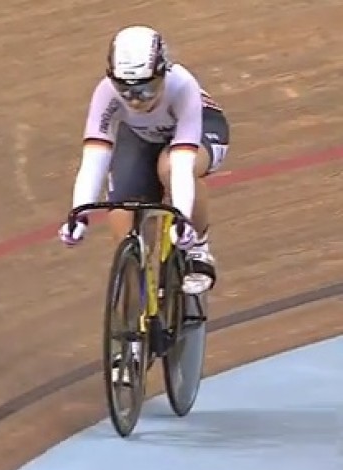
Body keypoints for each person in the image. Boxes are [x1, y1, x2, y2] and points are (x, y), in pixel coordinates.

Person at [59, 25, 230, 295]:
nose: (136, 100)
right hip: (141, 136)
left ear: (163, 73)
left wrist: (183, 218)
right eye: (124, 90)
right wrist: (79, 214)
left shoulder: (182, 86)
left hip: (199, 131)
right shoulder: (105, 92)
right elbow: (94, 159)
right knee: (121, 214)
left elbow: (182, 163)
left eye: (146, 89)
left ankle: (199, 249)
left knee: (169, 168)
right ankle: (142, 298)